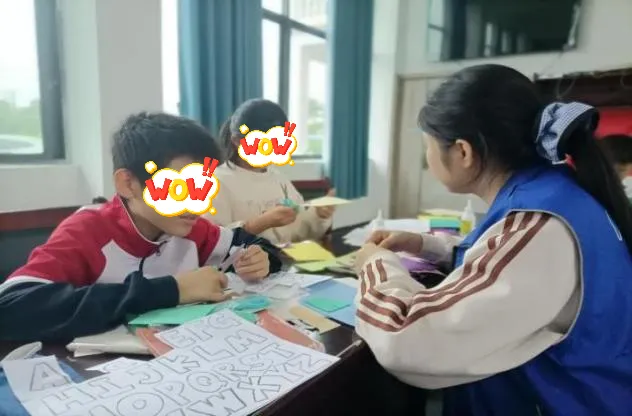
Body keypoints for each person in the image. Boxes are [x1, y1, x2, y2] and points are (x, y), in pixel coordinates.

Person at [353, 64, 632, 415]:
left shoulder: (539, 226)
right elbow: (502, 258)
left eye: (427, 146)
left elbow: (408, 337)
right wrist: (424, 245)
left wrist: (374, 264)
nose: (427, 157)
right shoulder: (551, 193)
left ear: (463, 152)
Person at [0, 112, 282, 343]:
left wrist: (260, 259)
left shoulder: (188, 227)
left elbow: (251, 243)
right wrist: (172, 290)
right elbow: (10, 308)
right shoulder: (86, 231)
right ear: (128, 183)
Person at [207, 98, 335, 244]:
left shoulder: (278, 178)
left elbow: (298, 231)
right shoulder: (216, 182)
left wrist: (319, 215)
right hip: (246, 259)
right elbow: (212, 243)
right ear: (237, 141)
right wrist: (260, 223)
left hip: (285, 257)